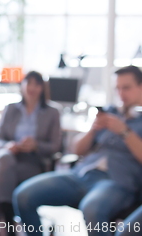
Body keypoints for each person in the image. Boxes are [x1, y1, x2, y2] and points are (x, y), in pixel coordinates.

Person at [14, 65, 142, 236]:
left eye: (126, 88)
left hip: (116, 182)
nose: (120, 94)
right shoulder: (111, 112)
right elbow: (75, 149)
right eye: (117, 88)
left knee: (92, 209)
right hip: (81, 174)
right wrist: (92, 130)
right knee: (22, 196)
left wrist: (124, 131)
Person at [0, 71, 61, 236]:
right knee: (2, 160)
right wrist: (9, 145)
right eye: (28, 83)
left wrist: (35, 145)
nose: (32, 87)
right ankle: (8, 218)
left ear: (42, 88)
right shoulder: (11, 108)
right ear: (22, 85)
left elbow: (56, 146)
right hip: (8, 157)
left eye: (36, 84)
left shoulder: (52, 112)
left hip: (31, 161)